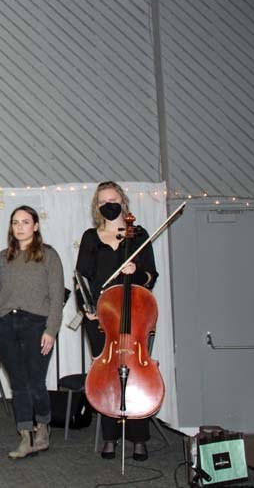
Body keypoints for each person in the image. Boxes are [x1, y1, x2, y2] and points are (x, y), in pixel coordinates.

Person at [75, 181, 158, 461]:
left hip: (134, 318)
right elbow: (82, 278)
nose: (107, 204)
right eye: (101, 201)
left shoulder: (139, 234)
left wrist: (135, 272)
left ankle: (138, 438)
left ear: (122, 200)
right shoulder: (90, 237)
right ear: (97, 206)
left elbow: (151, 277)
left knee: (135, 372)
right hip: (101, 317)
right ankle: (110, 436)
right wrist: (86, 307)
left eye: (112, 199)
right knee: (106, 373)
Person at [0, 206, 65, 459]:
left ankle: (43, 425)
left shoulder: (49, 255)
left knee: (35, 382)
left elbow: (56, 298)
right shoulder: (2, 258)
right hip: (7, 325)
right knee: (18, 383)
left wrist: (51, 330)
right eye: (15, 222)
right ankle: (25, 435)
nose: (19, 227)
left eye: (25, 222)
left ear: (35, 226)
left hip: (37, 324)